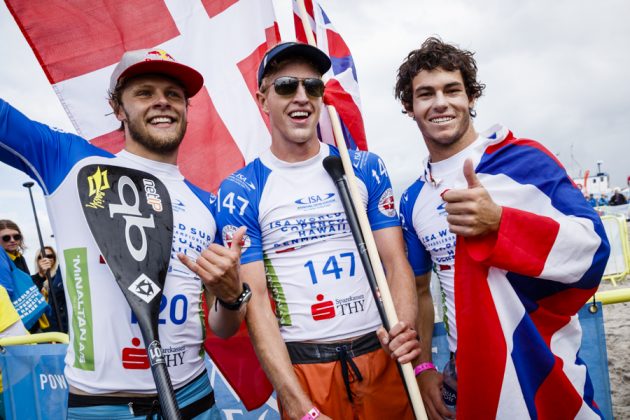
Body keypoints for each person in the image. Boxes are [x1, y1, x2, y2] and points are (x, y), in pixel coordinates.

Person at [0, 48, 249, 418]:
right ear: (118, 108)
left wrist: (231, 298)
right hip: (102, 406)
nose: (162, 102)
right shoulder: (69, 161)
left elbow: (223, 328)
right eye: (145, 93)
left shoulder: (206, 204)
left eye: (174, 95)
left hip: (195, 398)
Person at [394, 37, 610, 419]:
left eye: (452, 90)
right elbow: (419, 291)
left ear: (472, 98)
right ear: (410, 108)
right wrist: (425, 367)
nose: (440, 102)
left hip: (540, 360)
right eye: (425, 94)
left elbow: (592, 248)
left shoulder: (525, 162)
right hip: (466, 377)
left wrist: (500, 224)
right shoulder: (414, 198)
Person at [216, 42, 420, 420]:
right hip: (306, 368)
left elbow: (395, 262)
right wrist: (293, 400)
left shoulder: (362, 166)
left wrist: (405, 329)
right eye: (286, 86)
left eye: (312, 86)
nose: (301, 97)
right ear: (263, 99)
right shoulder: (241, 188)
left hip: (381, 356)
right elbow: (256, 300)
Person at [31, 246, 68, 333]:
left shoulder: (61, 277)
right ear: (37, 261)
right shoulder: (32, 279)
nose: (45, 259)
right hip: (39, 328)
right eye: (41, 257)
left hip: (60, 325)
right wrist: (41, 274)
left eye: (49, 256)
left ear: (54, 259)